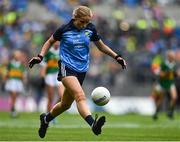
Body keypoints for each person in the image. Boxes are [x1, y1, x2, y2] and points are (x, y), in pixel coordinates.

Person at [29, 5, 126, 138]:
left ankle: (45, 120)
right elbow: (49, 42)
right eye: (82, 22)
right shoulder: (64, 29)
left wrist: (117, 57)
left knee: (65, 105)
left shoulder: (90, 28)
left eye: (87, 22)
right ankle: (93, 124)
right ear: (75, 18)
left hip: (82, 71)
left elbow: (101, 46)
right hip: (66, 68)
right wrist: (40, 56)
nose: (84, 25)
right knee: (80, 95)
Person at [151, 50, 179, 120]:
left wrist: (175, 74)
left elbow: (177, 74)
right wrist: (165, 73)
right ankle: (156, 112)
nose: (173, 57)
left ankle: (170, 112)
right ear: (169, 57)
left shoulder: (175, 64)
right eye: (172, 56)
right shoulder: (163, 64)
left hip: (170, 83)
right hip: (163, 83)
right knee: (160, 99)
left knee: (175, 97)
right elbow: (158, 72)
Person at [40, 41, 64, 112]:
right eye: (55, 42)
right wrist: (42, 78)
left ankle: (53, 110)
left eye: (58, 42)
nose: (57, 43)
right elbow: (44, 67)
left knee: (62, 96)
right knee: (50, 98)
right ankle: (48, 115)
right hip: (49, 76)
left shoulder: (62, 52)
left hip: (59, 75)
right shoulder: (48, 52)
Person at [5, 50, 26, 117]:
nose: (18, 56)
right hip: (12, 81)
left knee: (15, 97)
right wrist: (6, 78)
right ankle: (13, 110)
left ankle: (13, 109)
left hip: (18, 82)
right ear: (14, 56)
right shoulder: (10, 64)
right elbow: (7, 73)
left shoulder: (21, 64)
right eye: (16, 55)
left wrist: (23, 79)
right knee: (13, 95)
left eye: (19, 55)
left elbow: (23, 74)